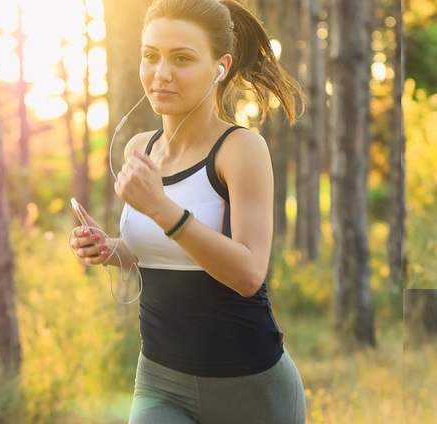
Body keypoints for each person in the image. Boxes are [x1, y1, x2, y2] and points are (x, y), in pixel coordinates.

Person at [70, 0, 307, 422]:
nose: (161, 73)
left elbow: (249, 273)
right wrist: (109, 248)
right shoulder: (139, 148)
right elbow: (159, 251)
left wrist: (162, 209)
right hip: (161, 380)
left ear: (221, 66)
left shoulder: (240, 149)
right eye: (150, 56)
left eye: (181, 58)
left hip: (250, 386)